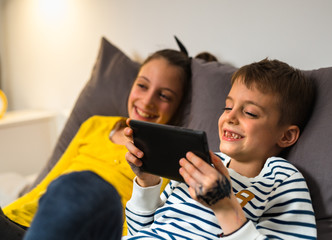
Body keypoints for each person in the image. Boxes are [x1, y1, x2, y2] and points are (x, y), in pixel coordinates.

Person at [23, 58, 317, 240]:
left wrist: (225, 206)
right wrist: (147, 181)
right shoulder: (199, 163)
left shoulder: (281, 179)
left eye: (250, 113)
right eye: (228, 106)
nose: (230, 116)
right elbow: (141, 230)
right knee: (82, 188)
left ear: (287, 136)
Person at [1, 48, 192, 239]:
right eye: (142, 86)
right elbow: (48, 183)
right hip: (21, 220)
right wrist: (9, 213)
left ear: (179, 106)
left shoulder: (171, 157)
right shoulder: (95, 125)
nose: (147, 100)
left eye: (164, 96)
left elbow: (150, 226)